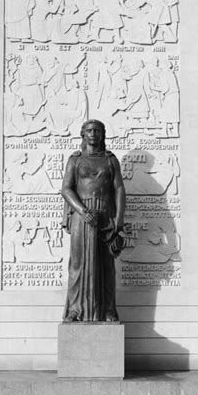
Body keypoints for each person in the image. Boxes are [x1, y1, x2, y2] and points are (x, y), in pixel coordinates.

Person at [61, 120, 126, 322]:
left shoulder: (110, 160)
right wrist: (82, 210)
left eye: (97, 131)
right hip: (83, 218)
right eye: (89, 130)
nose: (93, 134)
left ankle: (107, 310)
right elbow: (66, 189)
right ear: (83, 134)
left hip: (105, 216)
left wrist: (119, 218)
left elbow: (119, 189)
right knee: (78, 264)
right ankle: (75, 310)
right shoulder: (75, 160)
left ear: (102, 134)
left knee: (106, 266)